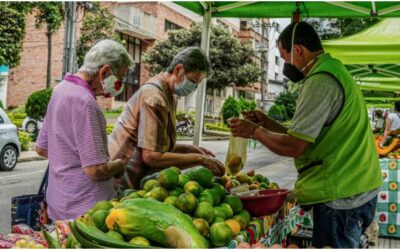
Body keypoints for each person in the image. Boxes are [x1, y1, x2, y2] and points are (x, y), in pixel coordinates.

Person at [229, 22, 382, 248]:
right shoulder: (335, 70)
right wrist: (268, 123)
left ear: (298, 51)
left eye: (284, 57)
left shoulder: (320, 81)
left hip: (342, 193)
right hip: (358, 185)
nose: (285, 65)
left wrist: (254, 131)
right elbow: (307, 134)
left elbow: (295, 146)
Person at [35, 40, 134, 221]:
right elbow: (95, 170)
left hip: (58, 202)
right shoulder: (84, 101)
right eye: (120, 77)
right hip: (84, 211)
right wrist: (119, 164)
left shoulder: (61, 89)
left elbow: (42, 148)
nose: (120, 84)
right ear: (104, 71)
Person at [109, 47, 225, 190]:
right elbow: (152, 156)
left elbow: (159, 143)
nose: (194, 87)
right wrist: (200, 160)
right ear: (178, 70)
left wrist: (189, 149)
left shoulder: (169, 96)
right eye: (194, 80)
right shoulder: (155, 97)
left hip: (138, 178)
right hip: (122, 179)